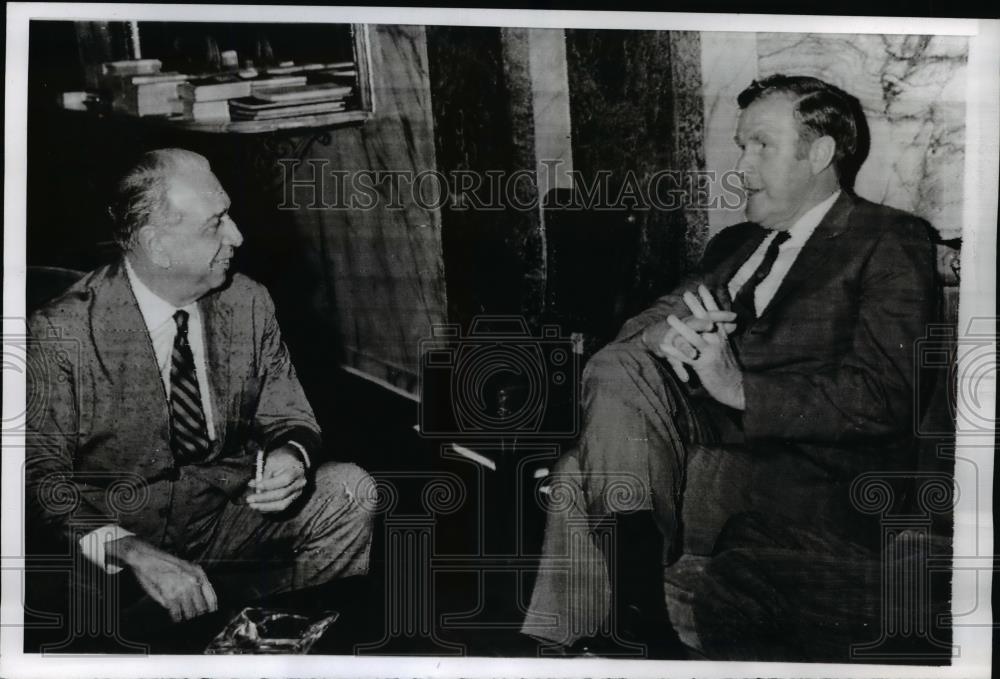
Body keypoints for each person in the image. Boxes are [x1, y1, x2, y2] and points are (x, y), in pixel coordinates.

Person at [521, 75, 937, 659]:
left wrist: (740, 389)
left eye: (760, 145)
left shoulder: (888, 240)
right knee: (619, 368)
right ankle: (634, 623)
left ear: (818, 153)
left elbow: (887, 397)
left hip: (813, 475)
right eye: (741, 145)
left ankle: (597, 637)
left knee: (577, 472)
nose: (741, 165)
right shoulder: (736, 242)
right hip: (716, 441)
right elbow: (646, 327)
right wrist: (666, 332)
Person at [26, 149, 374, 646]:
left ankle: (291, 643)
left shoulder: (247, 301)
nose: (238, 236)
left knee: (348, 490)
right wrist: (129, 549)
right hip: (114, 550)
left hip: (223, 518)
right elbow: (38, 477)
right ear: (158, 245)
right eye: (216, 224)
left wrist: (292, 454)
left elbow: (289, 412)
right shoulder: (63, 332)